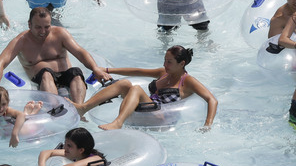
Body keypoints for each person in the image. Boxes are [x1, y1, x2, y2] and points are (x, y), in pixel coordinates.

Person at [72, 45, 218, 130]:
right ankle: (83, 108)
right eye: (164, 61)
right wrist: (108, 70)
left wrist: (207, 125)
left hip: (163, 119)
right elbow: (137, 71)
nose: (165, 65)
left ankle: (118, 123)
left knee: (136, 89)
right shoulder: (163, 73)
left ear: (182, 63)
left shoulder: (188, 81)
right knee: (124, 84)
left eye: (169, 62)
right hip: (148, 109)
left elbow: (212, 100)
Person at [0, 7, 106, 105]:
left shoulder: (60, 34)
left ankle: (80, 109)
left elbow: (80, 52)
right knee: (46, 73)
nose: (43, 31)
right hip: (41, 81)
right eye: (38, 27)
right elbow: (0, 63)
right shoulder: (21, 41)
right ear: (29, 24)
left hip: (65, 77)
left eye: (47, 27)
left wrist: (95, 68)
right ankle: (55, 109)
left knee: (76, 72)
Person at [36, 127, 105, 166]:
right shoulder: (74, 154)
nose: (64, 147)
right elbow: (46, 152)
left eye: (69, 145)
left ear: (81, 150)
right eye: (65, 143)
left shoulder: (96, 159)